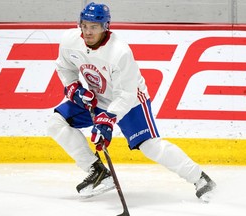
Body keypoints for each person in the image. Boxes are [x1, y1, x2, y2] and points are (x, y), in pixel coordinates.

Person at [47, 2, 216, 201]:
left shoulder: (119, 53)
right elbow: (64, 67)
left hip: (131, 100)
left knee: (150, 146)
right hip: (97, 99)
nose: (88, 31)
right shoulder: (70, 40)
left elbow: (126, 94)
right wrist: (74, 88)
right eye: (84, 25)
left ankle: (200, 178)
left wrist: (107, 120)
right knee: (56, 123)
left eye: (94, 26)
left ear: (105, 27)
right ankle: (98, 172)